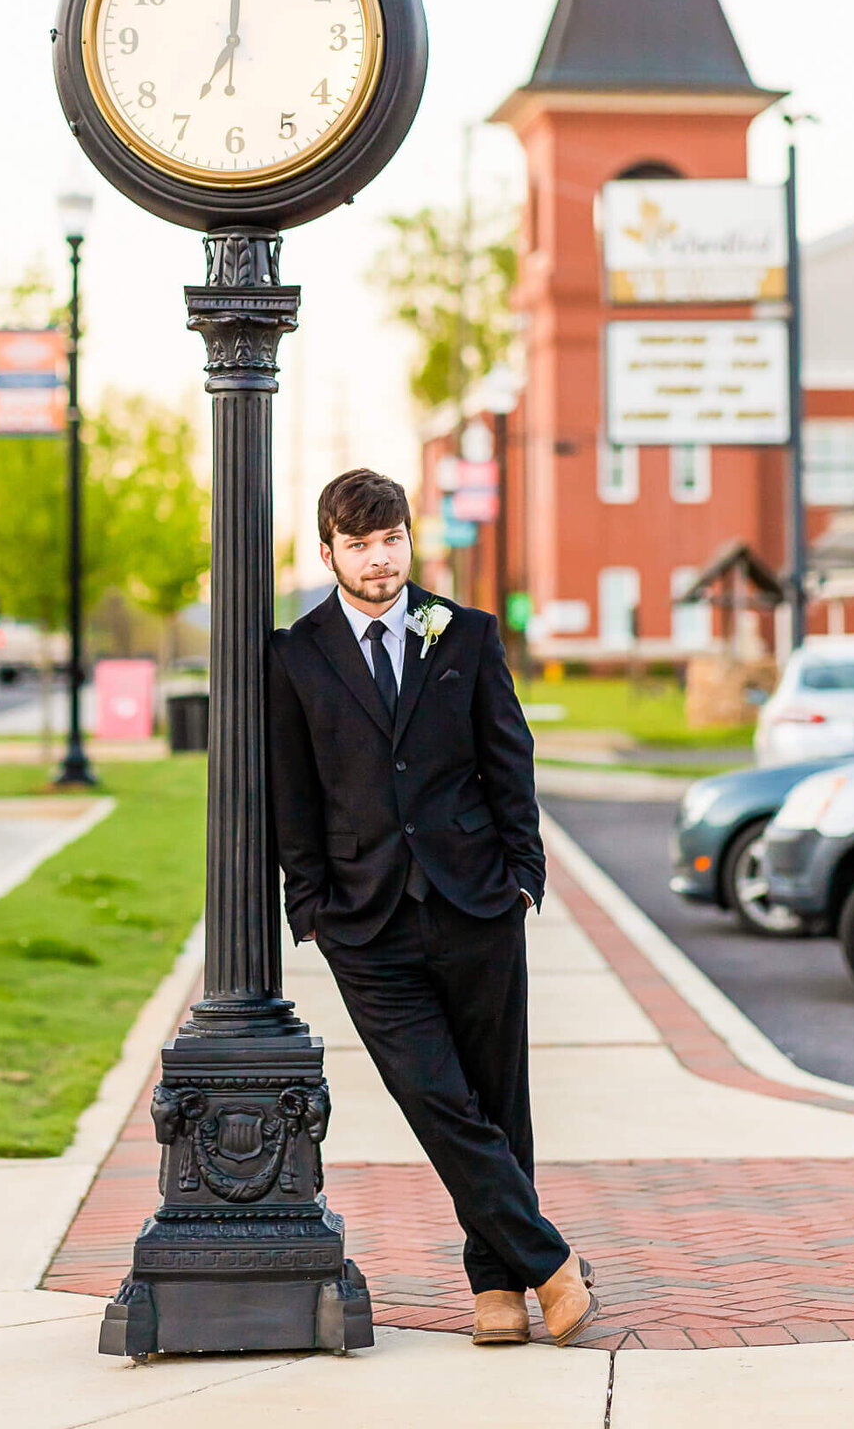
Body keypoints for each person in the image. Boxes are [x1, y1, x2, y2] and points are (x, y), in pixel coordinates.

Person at [267, 467, 599, 1348]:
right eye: (361, 543)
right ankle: (551, 1264)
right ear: (328, 550)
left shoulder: (466, 634)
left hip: (475, 902)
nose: (380, 560)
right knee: (434, 1097)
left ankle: (497, 1290)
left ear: (410, 539)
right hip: (365, 923)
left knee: (498, 1100)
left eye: (393, 540)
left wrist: (522, 874)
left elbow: (508, 760)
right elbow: (292, 797)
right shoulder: (294, 657)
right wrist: (314, 908)